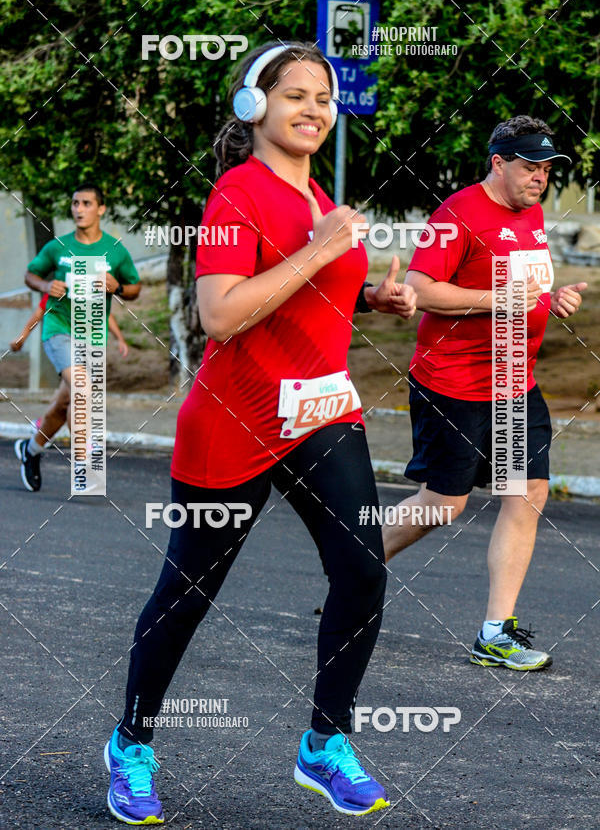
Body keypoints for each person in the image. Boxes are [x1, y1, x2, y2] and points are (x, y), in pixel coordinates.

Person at [103, 41, 417, 825]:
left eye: (324, 98)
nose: (313, 110)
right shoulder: (235, 197)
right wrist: (321, 251)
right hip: (234, 418)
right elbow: (221, 314)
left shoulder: (322, 201)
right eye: (295, 96)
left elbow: (311, 299)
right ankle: (131, 744)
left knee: (363, 571)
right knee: (189, 590)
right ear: (256, 107)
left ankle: (325, 742)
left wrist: (375, 297)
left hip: (320, 413)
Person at [383, 115, 586, 671]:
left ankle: (496, 633)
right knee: (443, 506)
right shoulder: (458, 214)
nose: (539, 178)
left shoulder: (534, 213)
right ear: (498, 162)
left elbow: (527, 289)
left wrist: (553, 299)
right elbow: (421, 290)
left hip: (515, 383)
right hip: (453, 384)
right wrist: (503, 300)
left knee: (527, 493)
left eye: (546, 169)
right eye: (529, 167)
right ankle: (354, 566)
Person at [14, 184, 140, 491]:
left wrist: (117, 287)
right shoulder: (58, 247)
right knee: (81, 387)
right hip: (58, 329)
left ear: (101, 209)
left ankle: (30, 451)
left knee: (62, 404)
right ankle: (84, 457)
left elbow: (134, 288)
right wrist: (45, 287)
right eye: (74, 203)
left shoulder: (116, 250)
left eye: (86, 203)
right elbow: (31, 274)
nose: (79, 209)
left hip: (92, 337)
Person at [11, 292, 129, 443]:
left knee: (65, 398)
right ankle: (85, 447)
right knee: (80, 390)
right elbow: (40, 310)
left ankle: (33, 443)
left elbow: (105, 313)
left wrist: (120, 338)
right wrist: (22, 338)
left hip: (86, 347)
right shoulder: (62, 283)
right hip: (64, 343)